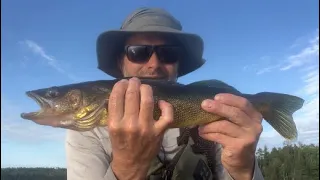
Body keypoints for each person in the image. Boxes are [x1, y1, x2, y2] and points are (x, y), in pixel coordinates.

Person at [65, 7, 264, 180]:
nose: (154, 64)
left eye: (168, 53)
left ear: (178, 63)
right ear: (120, 62)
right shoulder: (88, 132)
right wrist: (127, 170)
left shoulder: (215, 117)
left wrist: (243, 169)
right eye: (138, 52)